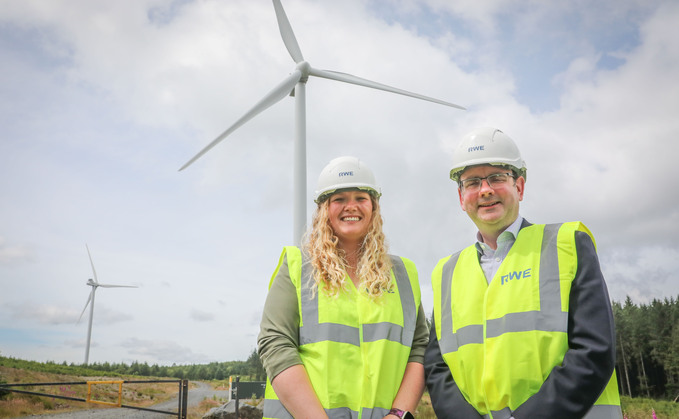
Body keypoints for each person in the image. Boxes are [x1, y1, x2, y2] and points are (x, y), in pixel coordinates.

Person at [424, 128, 622, 419]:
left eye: (496, 178)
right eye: (473, 182)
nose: (485, 190)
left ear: (520, 186)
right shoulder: (446, 272)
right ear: (461, 196)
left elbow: (594, 350)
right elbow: (437, 366)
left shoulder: (567, 244)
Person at [258, 156, 428, 419]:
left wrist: (398, 414)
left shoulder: (403, 273)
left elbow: (419, 347)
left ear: (374, 206)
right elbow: (275, 344)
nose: (351, 206)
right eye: (339, 199)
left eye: (361, 198)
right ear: (324, 209)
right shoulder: (296, 266)